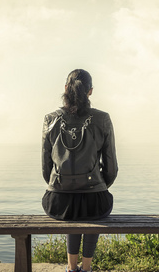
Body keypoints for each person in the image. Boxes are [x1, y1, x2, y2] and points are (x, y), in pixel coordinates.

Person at [41, 69, 118, 272]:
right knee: (89, 207)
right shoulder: (103, 119)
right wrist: (99, 184)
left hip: (58, 202)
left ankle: (71, 268)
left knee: (72, 208)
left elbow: (45, 168)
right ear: (90, 91)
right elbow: (111, 167)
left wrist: (62, 184)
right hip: (96, 202)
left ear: (66, 89)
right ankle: (87, 269)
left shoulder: (50, 119)